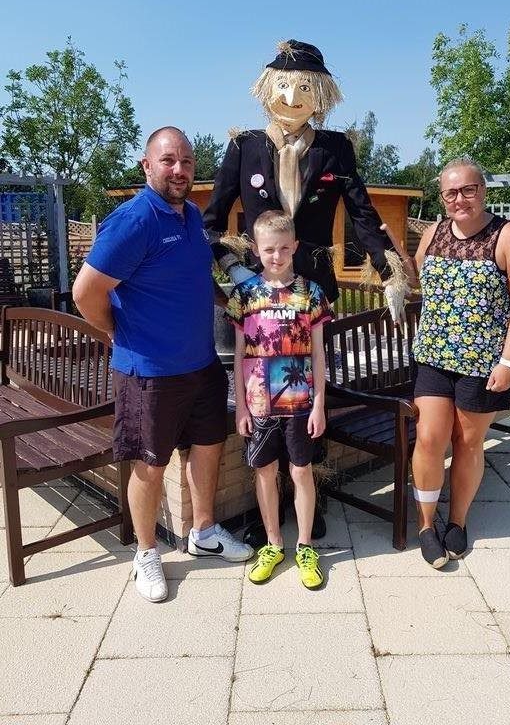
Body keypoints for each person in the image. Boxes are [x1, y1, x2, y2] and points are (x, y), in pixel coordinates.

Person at [204, 39, 408, 542]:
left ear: (321, 93)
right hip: (257, 296)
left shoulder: (335, 147)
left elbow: (362, 213)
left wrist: (390, 272)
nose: (291, 97)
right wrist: (234, 269)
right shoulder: (244, 145)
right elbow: (211, 222)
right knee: (258, 403)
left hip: (312, 293)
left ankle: (310, 509)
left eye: (303, 88)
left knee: (311, 397)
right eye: (283, 86)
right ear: (266, 88)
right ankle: (265, 515)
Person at [72, 126, 253, 603]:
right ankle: (147, 552)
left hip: (202, 365)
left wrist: (232, 302)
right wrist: (115, 330)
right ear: (147, 165)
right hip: (149, 372)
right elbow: (84, 293)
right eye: (168, 160)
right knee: (150, 464)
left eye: (187, 162)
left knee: (208, 447)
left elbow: (194, 278)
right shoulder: (133, 221)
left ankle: (204, 532)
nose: (179, 170)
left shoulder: (190, 215)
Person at [384, 158, 510, 568]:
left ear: (482, 191)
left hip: (482, 364)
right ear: (442, 197)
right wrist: (398, 264)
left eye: (468, 190)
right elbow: (421, 282)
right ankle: (425, 524)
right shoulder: (434, 232)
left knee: (468, 442)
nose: (460, 199)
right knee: (429, 438)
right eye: (451, 192)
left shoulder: (508, 237)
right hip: (433, 357)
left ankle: (458, 521)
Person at [226, 210, 331, 588]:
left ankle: (305, 546)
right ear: (256, 249)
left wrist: (319, 404)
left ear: (295, 247)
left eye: (284, 248)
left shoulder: (311, 293)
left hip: (299, 401)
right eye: (269, 249)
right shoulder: (244, 295)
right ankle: (273, 544)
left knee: (301, 471)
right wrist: (240, 406)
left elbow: (318, 354)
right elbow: (239, 355)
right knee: (265, 472)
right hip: (259, 403)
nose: (277, 255)